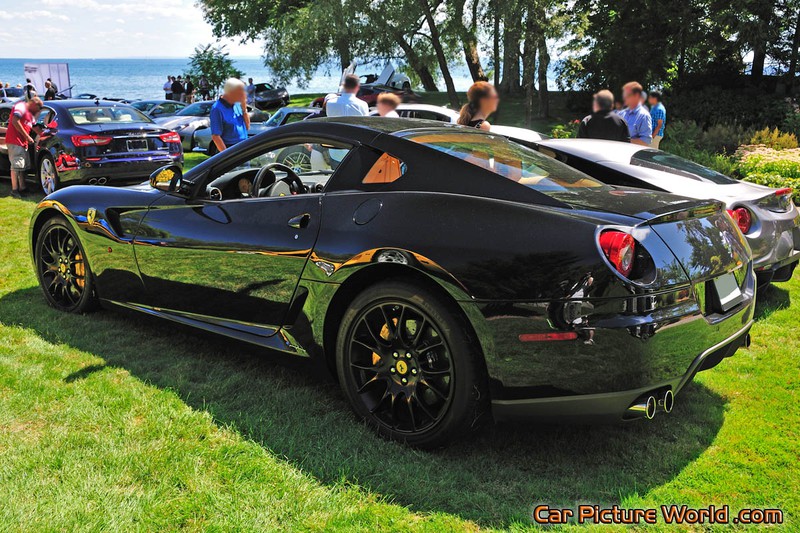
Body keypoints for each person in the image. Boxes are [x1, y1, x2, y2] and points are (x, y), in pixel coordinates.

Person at [6, 97, 43, 198]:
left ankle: (22, 187)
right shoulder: (21, 106)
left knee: (22, 166)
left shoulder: (30, 114)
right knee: (16, 166)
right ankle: (14, 190)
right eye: (38, 108)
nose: (38, 111)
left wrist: (45, 135)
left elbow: (35, 127)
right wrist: (27, 137)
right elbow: (15, 120)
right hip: (15, 141)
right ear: (34, 104)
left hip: (23, 143)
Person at [209, 78, 250, 153]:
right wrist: (227, 156)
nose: (243, 96)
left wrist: (244, 110)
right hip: (230, 149)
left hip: (244, 147)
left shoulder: (237, 104)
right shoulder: (217, 108)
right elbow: (216, 136)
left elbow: (247, 127)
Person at [619, 81, 652, 146]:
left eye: (627, 95)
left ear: (636, 96)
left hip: (633, 154)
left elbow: (645, 141)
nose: (624, 97)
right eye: (624, 95)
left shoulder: (644, 116)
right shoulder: (621, 114)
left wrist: (625, 141)